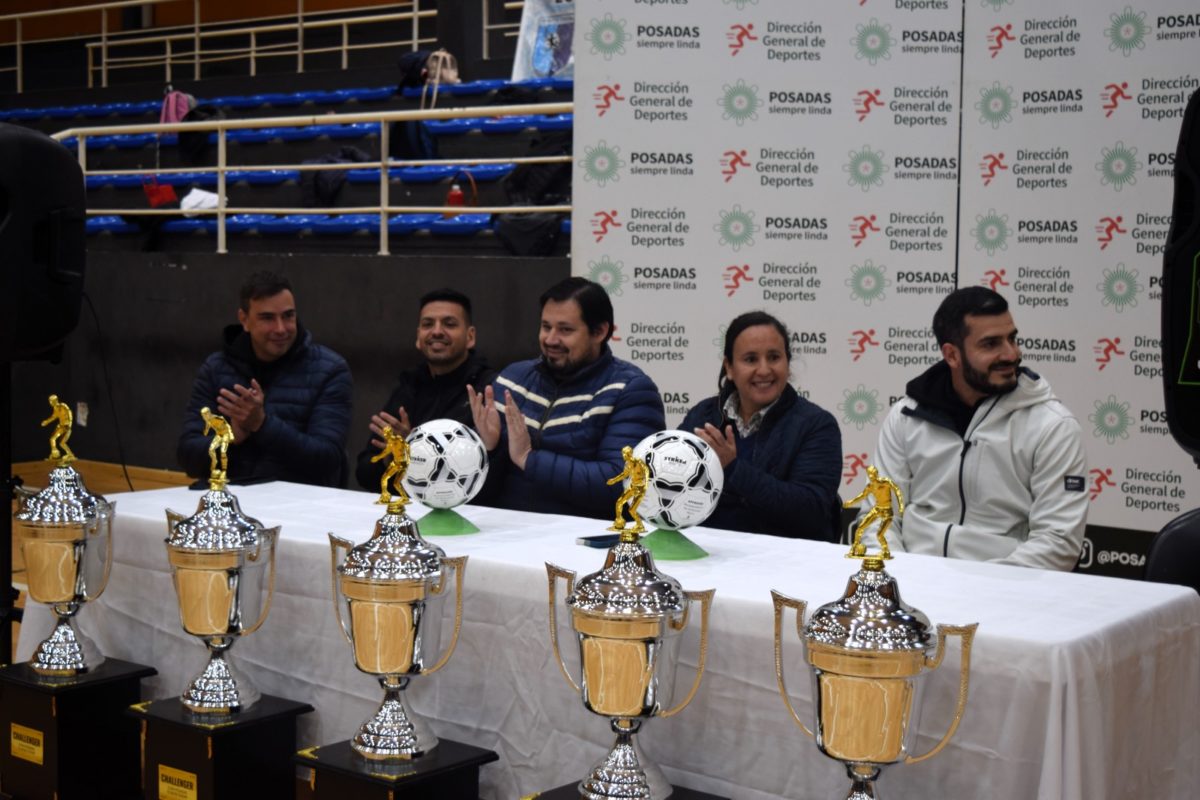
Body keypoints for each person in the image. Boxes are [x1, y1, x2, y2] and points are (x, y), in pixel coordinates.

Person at [867, 286, 1088, 569]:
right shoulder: (905, 416)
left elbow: (1058, 543)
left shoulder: (1054, 427)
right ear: (952, 355)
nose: (1011, 354)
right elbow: (879, 516)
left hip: (1003, 595)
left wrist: (981, 591)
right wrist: (899, 583)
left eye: (1012, 339)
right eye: (991, 344)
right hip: (912, 586)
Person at [469, 277, 665, 518]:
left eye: (565, 330)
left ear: (600, 332)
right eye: (546, 326)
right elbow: (475, 488)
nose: (551, 339)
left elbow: (621, 483)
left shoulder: (631, 389)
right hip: (505, 530)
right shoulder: (513, 379)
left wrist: (529, 459)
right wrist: (489, 449)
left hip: (580, 542)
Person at [177, 271, 353, 487]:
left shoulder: (330, 370)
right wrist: (230, 438)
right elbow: (188, 459)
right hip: (229, 501)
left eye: (288, 316)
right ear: (244, 320)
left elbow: (327, 461)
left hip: (299, 507)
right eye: (267, 318)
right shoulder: (216, 368)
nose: (281, 329)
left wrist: (262, 424)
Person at [680, 311, 842, 540]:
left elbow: (811, 511)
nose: (764, 370)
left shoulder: (816, 425)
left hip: (785, 563)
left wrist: (733, 469)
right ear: (729, 367)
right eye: (750, 359)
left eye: (774, 357)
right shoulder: (703, 415)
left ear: (787, 362)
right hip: (708, 556)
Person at [355, 288, 496, 493]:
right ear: (418, 337)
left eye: (449, 324)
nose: (437, 331)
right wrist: (390, 459)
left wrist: (416, 450)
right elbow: (364, 472)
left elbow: (482, 481)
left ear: (470, 336)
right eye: (427, 324)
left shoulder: (487, 390)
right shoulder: (409, 385)